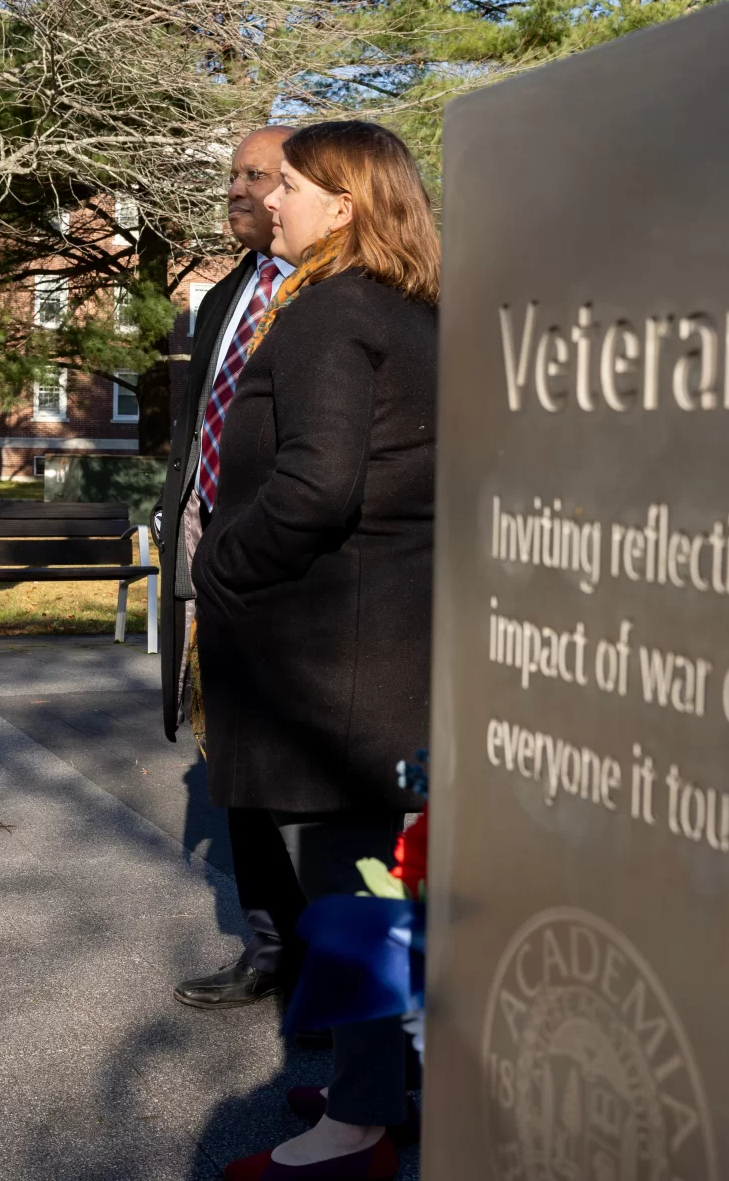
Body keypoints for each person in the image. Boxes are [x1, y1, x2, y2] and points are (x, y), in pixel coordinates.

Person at [192, 121, 439, 1180]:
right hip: (386, 639)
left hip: (335, 655)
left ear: (342, 205)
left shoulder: (330, 308)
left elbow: (313, 486)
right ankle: (374, 1084)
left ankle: (356, 1132)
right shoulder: (407, 306)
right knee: (375, 878)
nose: (267, 199)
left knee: (347, 884)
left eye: (287, 185)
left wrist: (219, 568)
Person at [158, 125, 315, 1012]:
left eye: (259, 176)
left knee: (307, 767)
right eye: (233, 176)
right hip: (207, 544)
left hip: (294, 558)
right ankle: (269, 944)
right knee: (230, 755)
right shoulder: (223, 295)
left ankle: (340, 970)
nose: (238, 190)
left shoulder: (333, 296)